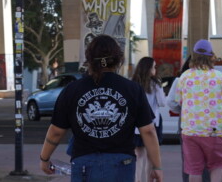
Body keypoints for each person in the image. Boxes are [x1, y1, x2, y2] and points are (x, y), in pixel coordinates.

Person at [40, 35, 162, 182]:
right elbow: (148, 131)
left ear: (89, 59)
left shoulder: (72, 89)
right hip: (122, 164)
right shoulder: (132, 89)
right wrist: (156, 167)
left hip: (84, 162)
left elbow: (56, 132)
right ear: (118, 59)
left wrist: (44, 158)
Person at [168, 39, 222, 182]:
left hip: (190, 130)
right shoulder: (219, 76)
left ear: (194, 56)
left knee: (194, 170)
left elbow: (178, 102)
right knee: (217, 166)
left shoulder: (184, 77)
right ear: (211, 56)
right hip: (214, 130)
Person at [131, 57, 168, 182]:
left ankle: (137, 180)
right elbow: (163, 103)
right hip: (152, 123)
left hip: (136, 125)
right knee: (150, 156)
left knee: (138, 155)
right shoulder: (155, 84)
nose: (155, 69)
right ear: (148, 69)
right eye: (154, 66)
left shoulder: (133, 83)